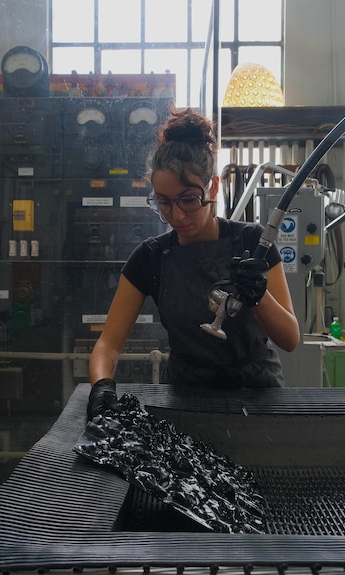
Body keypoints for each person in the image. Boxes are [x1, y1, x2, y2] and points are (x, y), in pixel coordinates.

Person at [87, 107, 299, 419]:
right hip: (185, 400)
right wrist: (102, 385)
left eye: (188, 199)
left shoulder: (254, 244)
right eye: (164, 202)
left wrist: (259, 296)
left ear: (213, 187)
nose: (176, 215)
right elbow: (108, 344)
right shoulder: (150, 258)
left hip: (257, 397)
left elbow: (290, 339)